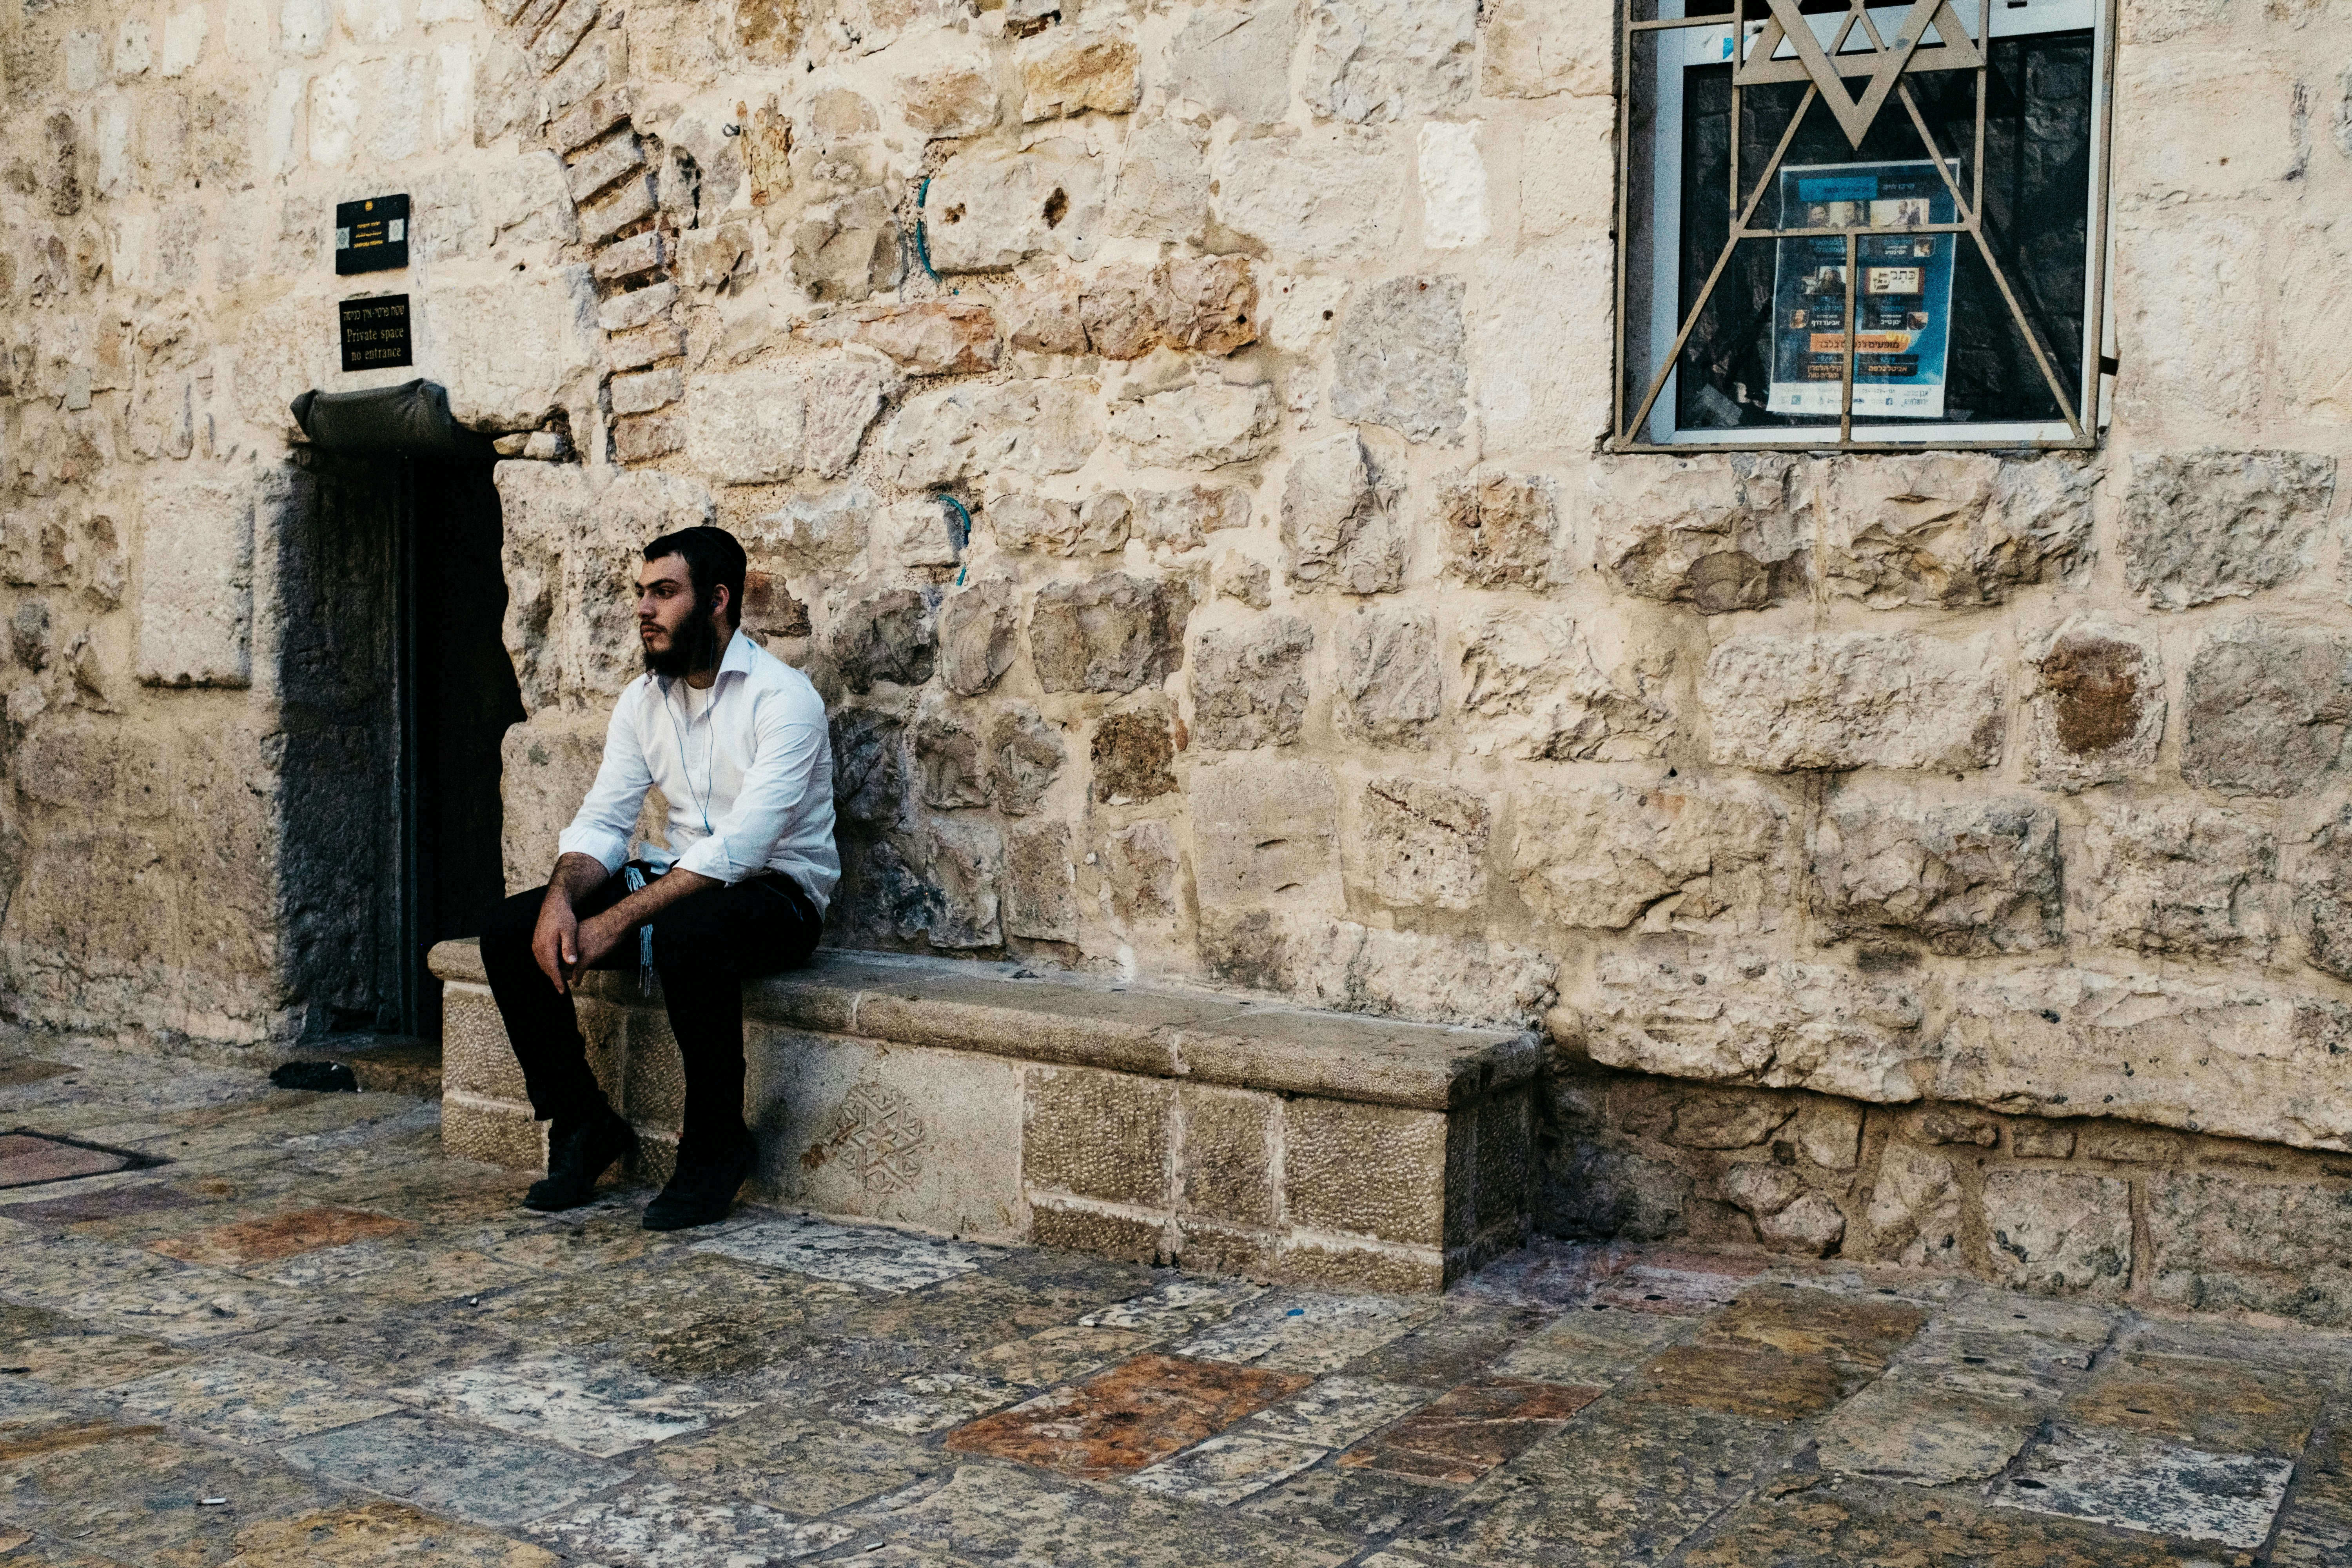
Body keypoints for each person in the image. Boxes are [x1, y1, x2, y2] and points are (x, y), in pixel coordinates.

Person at [477, 525, 837, 1230]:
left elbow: (744, 847)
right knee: (508, 929)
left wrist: (619, 918)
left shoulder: (783, 700)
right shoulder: (643, 702)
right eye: (641, 593)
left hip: (779, 895)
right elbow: (605, 822)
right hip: (674, 880)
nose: (644, 609)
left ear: (718, 601)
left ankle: (714, 1147)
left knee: (686, 930)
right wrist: (562, 901)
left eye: (664, 593)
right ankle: (582, 1124)